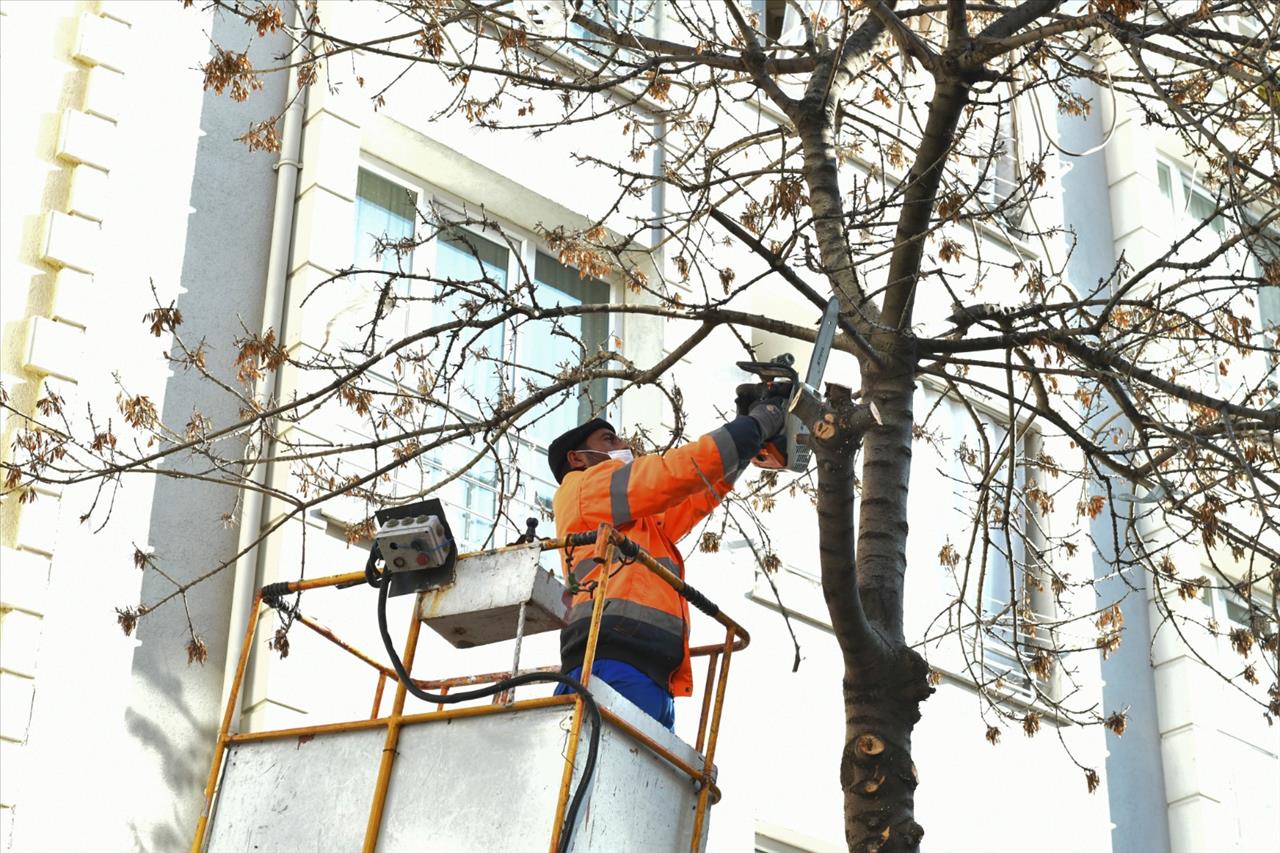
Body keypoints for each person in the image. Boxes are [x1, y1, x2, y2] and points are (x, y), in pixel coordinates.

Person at [546, 388, 787, 729]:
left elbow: (696, 491)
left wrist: (745, 437)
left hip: (645, 671)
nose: (623, 447)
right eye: (608, 440)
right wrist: (756, 425)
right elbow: (670, 474)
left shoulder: (633, 522)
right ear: (577, 458)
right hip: (613, 662)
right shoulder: (585, 487)